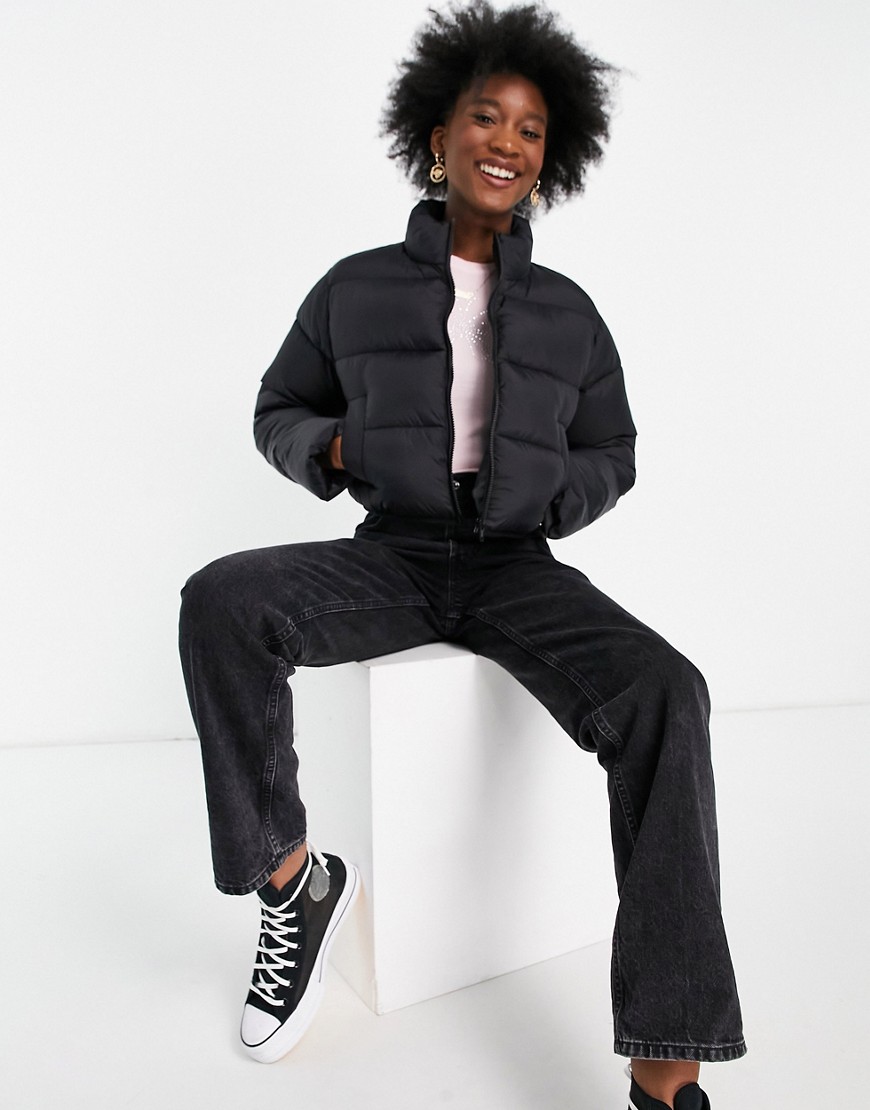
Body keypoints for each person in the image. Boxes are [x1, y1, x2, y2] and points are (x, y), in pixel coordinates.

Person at [178, 3, 745, 1106]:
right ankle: (292, 881)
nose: (507, 142)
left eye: (531, 130)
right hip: (391, 555)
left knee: (669, 691)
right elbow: (277, 409)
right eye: (487, 117)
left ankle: (667, 1055)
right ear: (438, 137)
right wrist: (336, 447)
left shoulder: (570, 314)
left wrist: (555, 495)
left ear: (549, 160)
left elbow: (615, 448)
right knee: (222, 600)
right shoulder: (354, 288)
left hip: (516, 568)